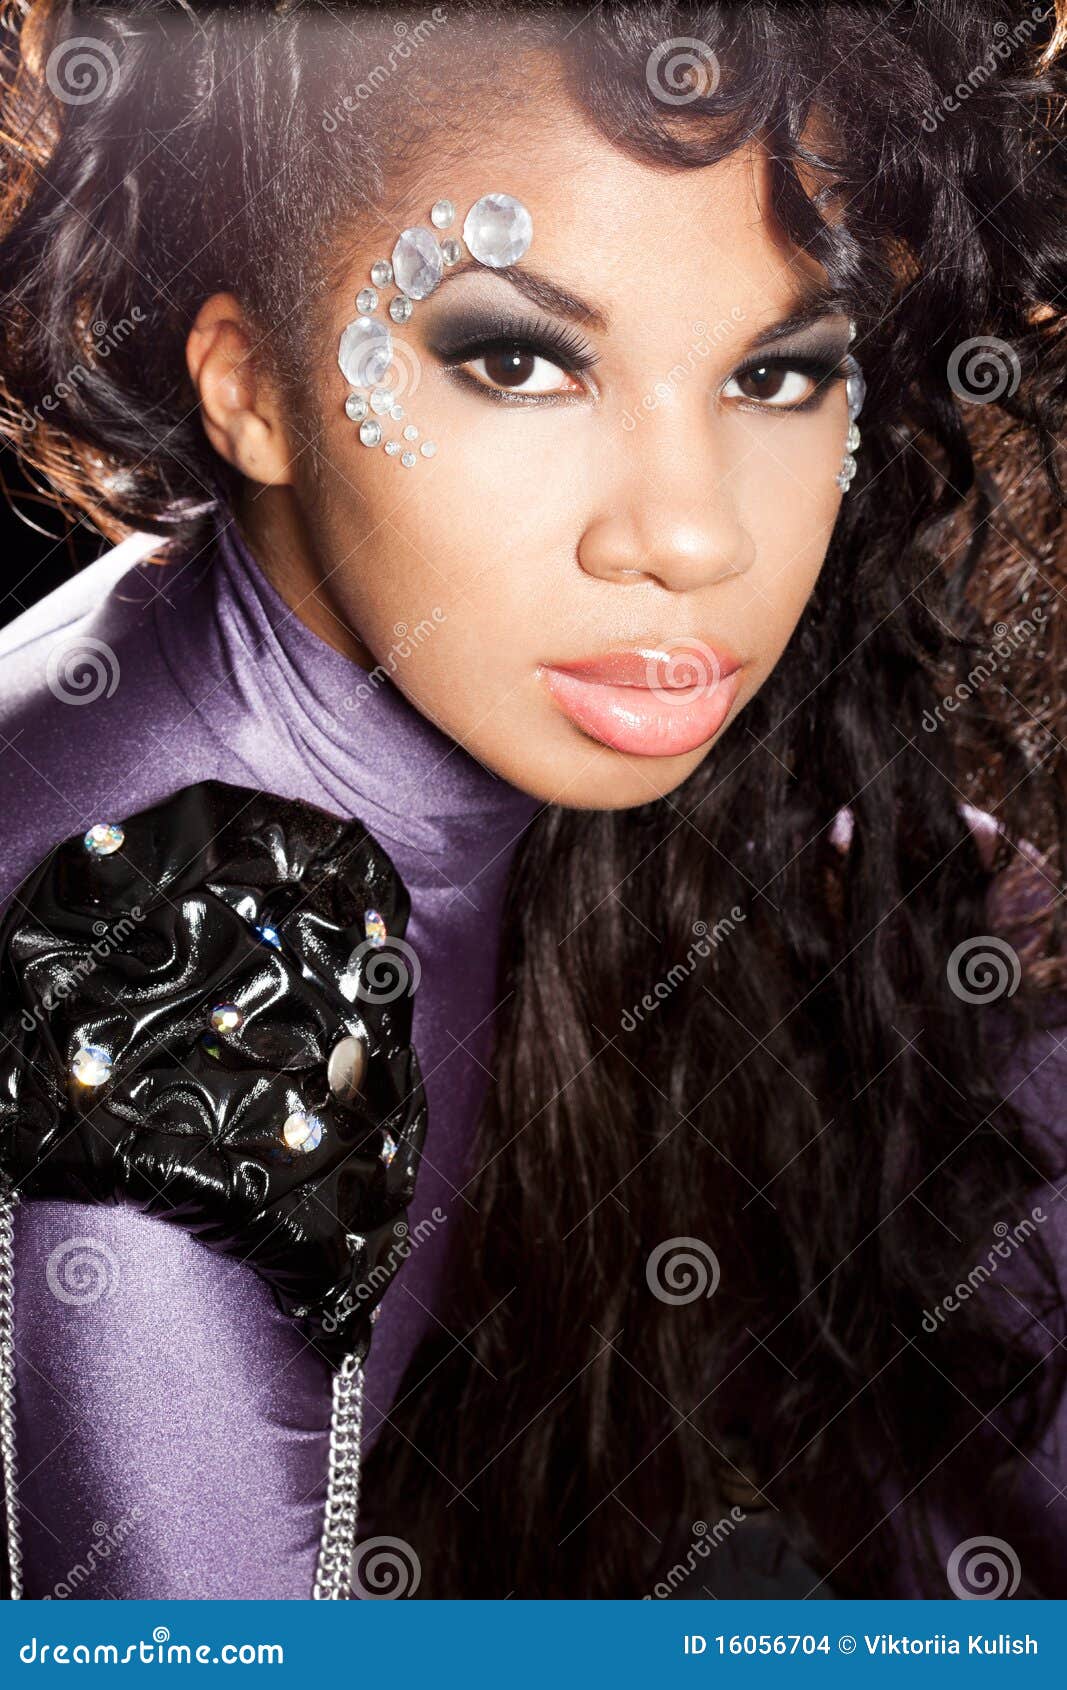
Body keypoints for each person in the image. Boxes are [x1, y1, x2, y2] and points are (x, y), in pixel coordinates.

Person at [0, 0, 1064, 1601]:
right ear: (249, 386)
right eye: (518, 357)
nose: (690, 535)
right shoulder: (177, 975)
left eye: (776, 372)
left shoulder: (541, 726)